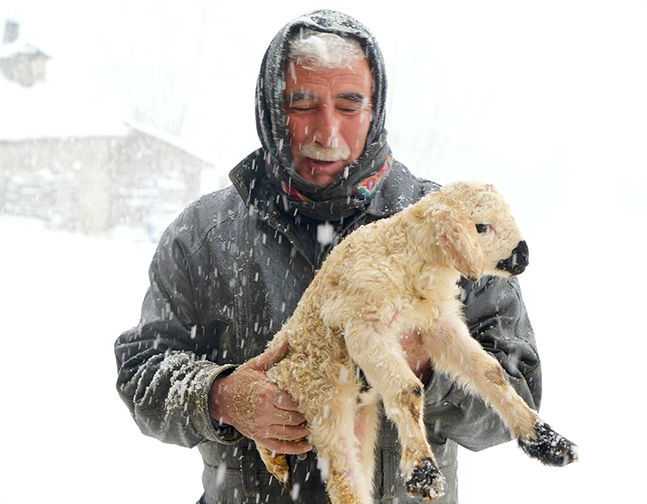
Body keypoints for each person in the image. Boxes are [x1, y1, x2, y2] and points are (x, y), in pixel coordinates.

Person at [115, 9, 541, 504]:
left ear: (375, 109)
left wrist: (427, 366)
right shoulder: (204, 235)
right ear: (271, 108)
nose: (327, 132)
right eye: (303, 103)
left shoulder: (454, 226)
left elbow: (520, 389)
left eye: (349, 104)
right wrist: (219, 396)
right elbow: (141, 369)